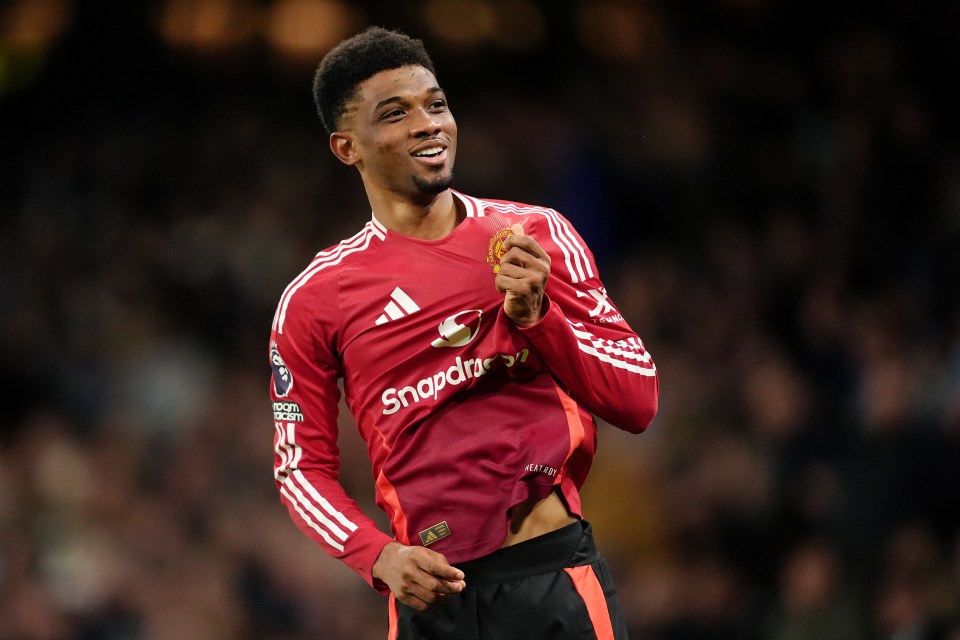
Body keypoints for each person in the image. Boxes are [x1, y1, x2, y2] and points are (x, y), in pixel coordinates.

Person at [268, 25, 659, 639]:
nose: (428, 124)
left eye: (437, 104)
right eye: (395, 114)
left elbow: (638, 402)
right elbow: (300, 468)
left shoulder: (537, 235)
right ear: (348, 148)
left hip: (549, 580)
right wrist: (377, 556)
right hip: (432, 604)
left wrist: (539, 321)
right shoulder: (315, 301)